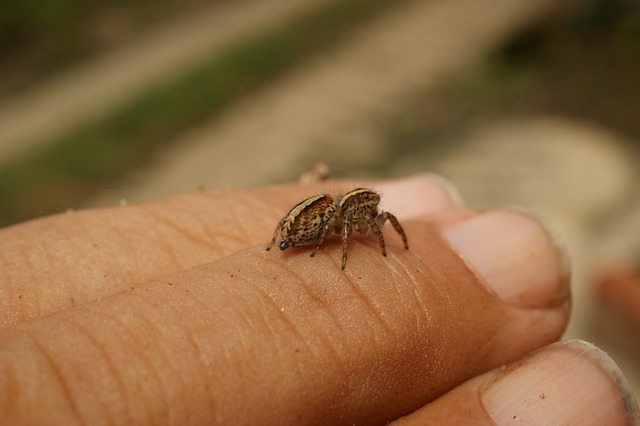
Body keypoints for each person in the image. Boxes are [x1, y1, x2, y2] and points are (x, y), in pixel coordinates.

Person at [0, 174, 637, 425]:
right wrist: (350, 250)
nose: (377, 217)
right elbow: (351, 227)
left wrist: (389, 246)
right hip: (305, 226)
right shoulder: (344, 225)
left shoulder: (363, 216)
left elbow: (379, 222)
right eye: (372, 214)